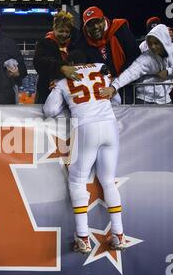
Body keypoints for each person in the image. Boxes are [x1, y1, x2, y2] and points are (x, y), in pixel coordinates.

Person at [43, 51, 126, 254]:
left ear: (68, 63)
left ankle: (83, 237)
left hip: (86, 127)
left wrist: (56, 90)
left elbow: (50, 110)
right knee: (108, 181)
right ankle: (119, 234)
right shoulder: (100, 68)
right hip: (109, 126)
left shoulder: (64, 79)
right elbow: (117, 100)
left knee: (77, 180)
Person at [101, 24, 173, 104]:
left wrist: (169, 71)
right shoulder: (146, 58)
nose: (153, 47)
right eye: (150, 44)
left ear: (164, 40)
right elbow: (130, 73)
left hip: (165, 99)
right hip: (144, 99)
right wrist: (113, 87)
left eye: (156, 43)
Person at [72, 6, 140, 78]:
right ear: (85, 27)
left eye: (97, 21)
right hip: (100, 86)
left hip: (126, 82)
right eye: (90, 24)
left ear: (103, 20)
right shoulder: (81, 42)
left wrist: (120, 80)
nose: (95, 26)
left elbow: (135, 56)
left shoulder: (119, 28)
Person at [33, 10, 79, 104]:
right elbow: (38, 62)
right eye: (61, 31)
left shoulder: (74, 45)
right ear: (54, 29)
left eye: (67, 31)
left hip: (71, 92)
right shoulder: (45, 43)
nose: (64, 35)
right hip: (47, 93)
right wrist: (60, 67)